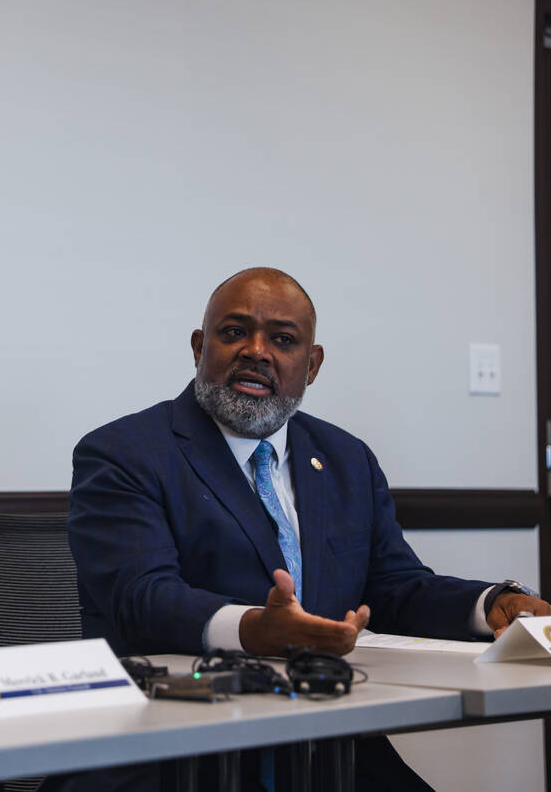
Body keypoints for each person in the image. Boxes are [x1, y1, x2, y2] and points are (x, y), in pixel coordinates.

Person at [56, 267, 549, 791]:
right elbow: (143, 595)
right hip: (173, 751)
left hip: (325, 746)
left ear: (311, 365)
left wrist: (489, 603)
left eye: (283, 340)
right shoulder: (125, 453)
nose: (256, 351)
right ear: (200, 347)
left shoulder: (346, 459)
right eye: (233, 332)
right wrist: (251, 630)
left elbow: (394, 586)